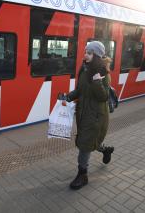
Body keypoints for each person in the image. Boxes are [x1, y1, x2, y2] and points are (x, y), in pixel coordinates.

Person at [60, 41, 114, 190]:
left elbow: (103, 97)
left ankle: (82, 175)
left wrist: (97, 82)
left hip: (96, 116)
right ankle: (106, 149)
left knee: (84, 145)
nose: (85, 55)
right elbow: (80, 90)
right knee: (90, 142)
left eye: (89, 53)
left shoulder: (104, 74)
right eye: (86, 52)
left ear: (96, 56)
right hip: (83, 113)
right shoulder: (84, 70)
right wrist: (67, 97)